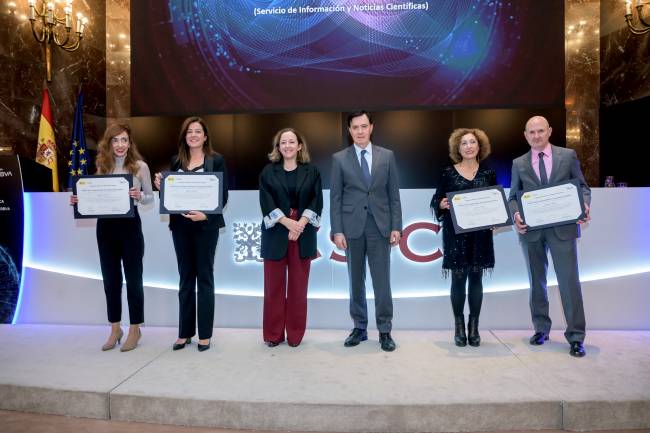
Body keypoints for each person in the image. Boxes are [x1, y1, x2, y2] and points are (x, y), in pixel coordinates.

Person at [508, 115, 591, 357]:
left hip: (563, 230)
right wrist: (515, 216)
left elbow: (582, 187)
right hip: (531, 232)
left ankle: (576, 337)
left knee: (569, 282)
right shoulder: (518, 163)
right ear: (525, 135)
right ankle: (541, 329)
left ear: (550, 131)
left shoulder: (568, 156)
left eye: (541, 131)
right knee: (537, 283)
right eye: (532, 132)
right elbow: (513, 197)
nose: (536, 136)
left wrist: (584, 205)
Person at [70, 123, 153, 351]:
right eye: (115, 140)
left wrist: (139, 196)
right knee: (111, 280)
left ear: (129, 143)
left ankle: (135, 328)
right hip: (105, 229)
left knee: (134, 281)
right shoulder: (102, 166)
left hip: (130, 228)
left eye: (124, 140)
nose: (120, 145)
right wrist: (80, 201)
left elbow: (150, 198)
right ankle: (115, 328)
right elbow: (95, 197)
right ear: (109, 143)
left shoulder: (139, 167)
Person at [154, 117, 229, 352]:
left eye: (198, 131)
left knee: (205, 278)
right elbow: (171, 197)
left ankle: (204, 335)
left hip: (206, 227)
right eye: (189, 132)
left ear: (205, 136)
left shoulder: (216, 160)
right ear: (184, 137)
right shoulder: (176, 160)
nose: (194, 135)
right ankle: (184, 333)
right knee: (185, 279)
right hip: (181, 227)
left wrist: (205, 215)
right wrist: (161, 187)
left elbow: (223, 195)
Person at [330, 110, 402, 352]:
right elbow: (336, 198)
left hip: (380, 227)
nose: (360, 131)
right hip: (352, 228)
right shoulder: (339, 159)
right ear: (349, 130)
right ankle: (359, 328)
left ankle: (384, 330)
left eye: (364, 126)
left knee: (382, 282)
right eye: (355, 127)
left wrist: (396, 226)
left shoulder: (387, 156)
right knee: (355, 281)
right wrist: (337, 230)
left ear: (371, 127)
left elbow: (394, 196)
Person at [431, 128, 496, 347]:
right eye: (464, 143)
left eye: (472, 142)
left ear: (480, 147)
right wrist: (440, 204)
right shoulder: (447, 173)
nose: (468, 146)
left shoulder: (488, 174)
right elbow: (436, 200)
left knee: (476, 278)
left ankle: (474, 326)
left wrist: (496, 216)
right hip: (455, 235)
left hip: (480, 236)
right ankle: (459, 326)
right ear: (457, 148)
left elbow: (495, 203)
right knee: (458, 278)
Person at [258, 128, 323, 347]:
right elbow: (266, 202)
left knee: (298, 287)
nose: (287, 145)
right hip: (276, 231)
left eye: (291, 141)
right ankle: (273, 334)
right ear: (278, 147)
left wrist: (300, 224)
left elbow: (316, 201)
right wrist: (288, 222)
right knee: (273, 287)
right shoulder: (268, 172)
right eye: (283, 142)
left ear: (299, 146)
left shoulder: (311, 172)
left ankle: (295, 335)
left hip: (303, 233)